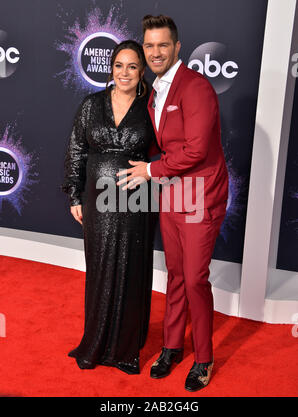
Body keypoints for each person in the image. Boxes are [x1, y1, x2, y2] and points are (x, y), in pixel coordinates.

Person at [116, 15, 228, 390]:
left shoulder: (195, 88)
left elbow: (196, 149)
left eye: (163, 45)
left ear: (177, 47)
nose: (155, 52)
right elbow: (163, 141)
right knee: (177, 275)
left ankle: (205, 358)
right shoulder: (156, 90)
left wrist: (150, 170)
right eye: (149, 46)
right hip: (172, 193)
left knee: (195, 278)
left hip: (200, 193)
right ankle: (172, 346)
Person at [62, 40, 157, 375]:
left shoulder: (151, 107)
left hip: (137, 197)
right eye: (119, 65)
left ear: (142, 71)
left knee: (132, 266)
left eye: (132, 66)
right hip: (97, 198)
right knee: (101, 266)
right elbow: (76, 150)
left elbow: (168, 150)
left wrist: (152, 174)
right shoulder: (91, 105)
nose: (125, 73)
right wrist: (74, 194)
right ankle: (97, 340)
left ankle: (126, 348)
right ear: (111, 68)